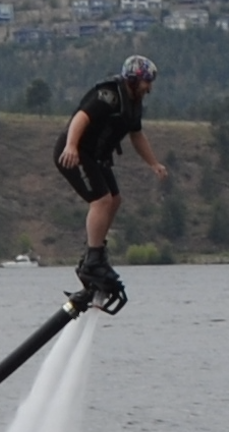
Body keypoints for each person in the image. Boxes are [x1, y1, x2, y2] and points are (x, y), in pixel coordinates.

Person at [55, 54, 168, 296]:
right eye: (147, 82)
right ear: (133, 79)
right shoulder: (109, 95)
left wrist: (153, 163)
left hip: (97, 157)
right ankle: (92, 262)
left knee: (115, 200)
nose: (149, 88)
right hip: (76, 154)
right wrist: (71, 146)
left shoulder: (134, 103)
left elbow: (137, 135)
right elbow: (80, 118)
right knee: (102, 200)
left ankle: (95, 256)